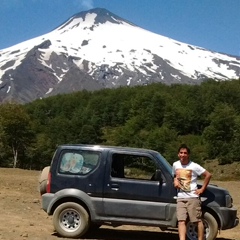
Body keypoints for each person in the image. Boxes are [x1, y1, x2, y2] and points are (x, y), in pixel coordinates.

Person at [172, 144, 212, 240]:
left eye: (185, 153)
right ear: (178, 154)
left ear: (188, 155)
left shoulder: (194, 166)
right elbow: (174, 175)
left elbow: (208, 175)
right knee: (181, 221)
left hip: (192, 197)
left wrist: (202, 189)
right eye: (181, 153)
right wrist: (175, 181)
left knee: (197, 220)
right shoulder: (175, 164)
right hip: (180, 197)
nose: (183, 155)